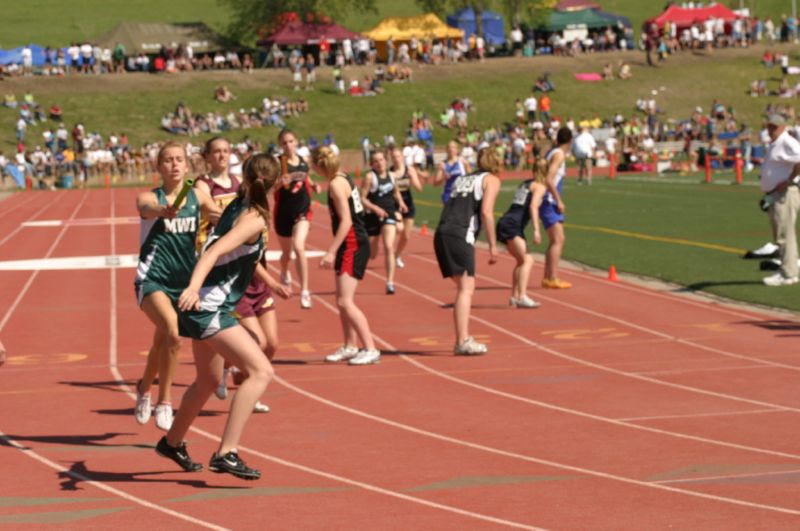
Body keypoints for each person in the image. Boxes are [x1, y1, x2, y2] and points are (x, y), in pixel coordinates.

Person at [157, 154, 280, 480]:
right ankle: (226, 452)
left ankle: (171, 443)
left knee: (209, 380)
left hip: (207, 305)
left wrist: (271, 281)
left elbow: (239, 256)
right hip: (209, 306)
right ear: (275, 184)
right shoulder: (253, 218)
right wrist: (195, 288)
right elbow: (213, 251)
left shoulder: (237, 207)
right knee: (261, 372)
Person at [133, 142, 220, 431]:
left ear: (186, 166)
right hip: (152, 279)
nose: (174, 164)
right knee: (173, 333)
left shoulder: (197, 195)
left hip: (183, 284)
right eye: (167, 160)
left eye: (179, 159)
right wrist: (162, 210)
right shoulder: (149, 197)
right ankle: (165, 400)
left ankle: (144, 387)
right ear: (159, 167)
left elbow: (220, 214)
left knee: (162, 342)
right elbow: (146, 208)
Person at [311, 146, 380, 366]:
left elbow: (347, 221)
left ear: (318, 166)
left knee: (345, 301)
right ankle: (350, 345)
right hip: (351, 243)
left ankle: (370, 347)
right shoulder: (343, 177)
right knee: (341, 301)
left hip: (352, 243)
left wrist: (331, 251)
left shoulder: (335, 184)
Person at [433, 147, 501, 355]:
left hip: (442, 231)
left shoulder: (463, 178)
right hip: (459, 233)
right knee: (466, 288)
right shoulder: (491, 180)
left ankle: (463, 338)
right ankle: (462, 340)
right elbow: (487, 212)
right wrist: (492, 244)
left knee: (464, 286)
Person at [274, 129, 320, 309]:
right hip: (283, 213)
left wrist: (314, 185)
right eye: (284, 143)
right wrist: (280, 182)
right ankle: (285, 271)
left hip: (302, 211)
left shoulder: (303, 161)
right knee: (286, 255)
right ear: (280, 145)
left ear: (296, 142)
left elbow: (305, 179)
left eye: (291, 141)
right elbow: (270, 188)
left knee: (299, 247)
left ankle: (305, 291)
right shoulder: (279, 163)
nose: (288, 145)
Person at [496, 157, 548, 308]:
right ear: (545, 171)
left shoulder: (525, 184)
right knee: (528, 260)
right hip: (513, 224)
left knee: (521, 261)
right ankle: (522, 296)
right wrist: (537, 230)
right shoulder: (539, 186)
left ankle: (514, 296)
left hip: (506, 221)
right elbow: (533, 207)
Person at [760, 113, 800, 286]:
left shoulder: (786, 141)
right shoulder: (776, 143)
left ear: (783, 127)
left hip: (785, 193)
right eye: (769, 126)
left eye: (774, 127)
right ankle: (788, 269)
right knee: (781, 234)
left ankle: (788, 273)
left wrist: (790, 180)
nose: (770, 130)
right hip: (776, 194)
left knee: (785, 233)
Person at [360, 150, 407, 294]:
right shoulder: (369, 177)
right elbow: (362, 198)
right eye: (376, 161)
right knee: (372, 255)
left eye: (382, 160)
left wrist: (401, 202)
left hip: (389, 213)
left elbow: (395, 191)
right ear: (372, 164)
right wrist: (375, 209)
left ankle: (390, 282)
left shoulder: (392, 176)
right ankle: (377, 236)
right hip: (373, 215)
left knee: (388, 246)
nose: (380, 163)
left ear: (386, 161)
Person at [540, 127, 573, 289]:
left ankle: (548, 277)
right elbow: (549, 178)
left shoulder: (552, 152)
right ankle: (551, 277)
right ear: (570, 141)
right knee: (558, 240)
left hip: (546, 200)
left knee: (555, 240)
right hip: (549, 201)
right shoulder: (559, 155)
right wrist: (558, 200)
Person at [388, 146, 422, 269]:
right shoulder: (389, 172)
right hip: (394, 204)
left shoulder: (409, 170)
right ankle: (389, 248)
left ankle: (396, 255)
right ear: (391, 159)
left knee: (406, 236)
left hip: (408, 204)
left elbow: (419, 188)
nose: (396, 159)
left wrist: (413, 178)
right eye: (394, 157)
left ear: (402, 157)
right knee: (399, 228)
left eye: (398, 156)